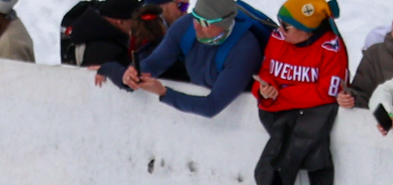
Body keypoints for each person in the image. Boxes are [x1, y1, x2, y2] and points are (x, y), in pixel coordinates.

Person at [252, 0, 349, 185]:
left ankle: (277, 181)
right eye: (279, 22)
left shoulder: (330, 48)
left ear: (307, 30)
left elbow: (327, 92)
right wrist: (266, 90)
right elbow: (266, 73)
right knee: (304, 140)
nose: (279, 29)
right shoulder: (278, 39)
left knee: (309, 130)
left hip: (310, 112)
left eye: (286, 26)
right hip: (278, 110)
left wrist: (280, 97)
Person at [98, 0, 269, 118]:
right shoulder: (185, 26)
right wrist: (133, 73)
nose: (197, 27)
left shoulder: (244, 49)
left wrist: (164, 92)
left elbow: (211, 106)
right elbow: (156, 62)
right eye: (195, 17)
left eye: (205, 23)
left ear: (224, 23)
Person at [60, 0, 135, 65]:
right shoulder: (110, 52)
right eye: (136, 20)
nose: (138, 25)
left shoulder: (89, 32)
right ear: (120, 22)